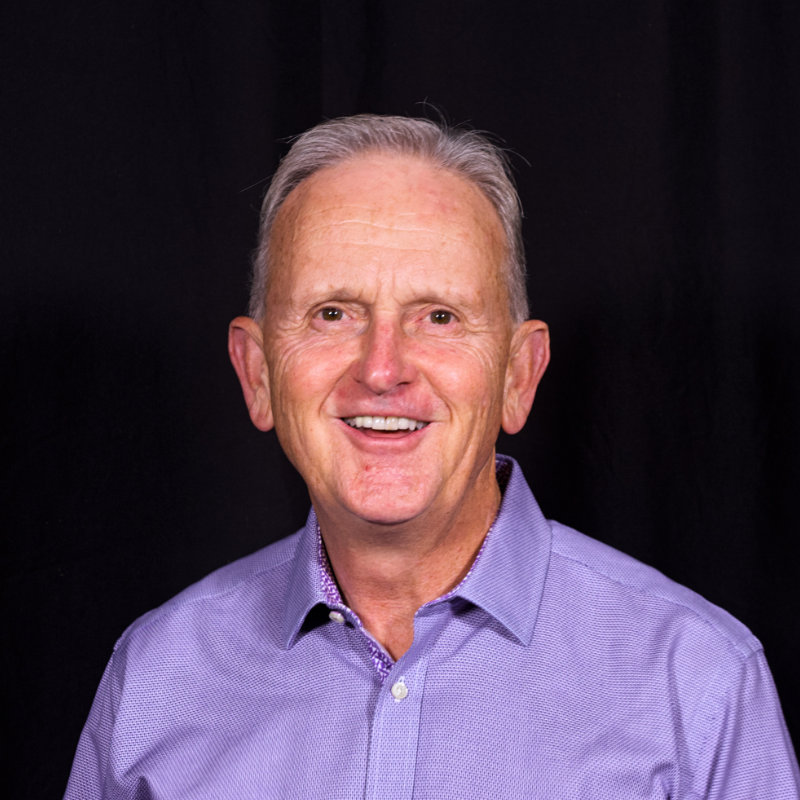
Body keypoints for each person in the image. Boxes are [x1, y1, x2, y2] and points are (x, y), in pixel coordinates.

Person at [65, 114, 799, 798]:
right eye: (332, 313)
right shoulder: (155, 681)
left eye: (440, 317)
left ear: (518, 375)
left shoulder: (698, 686)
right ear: (258, 374)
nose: (382, 368)